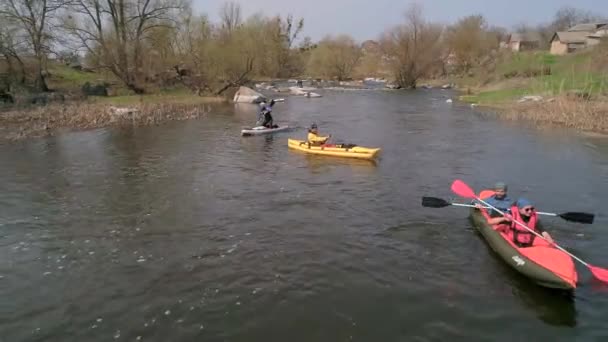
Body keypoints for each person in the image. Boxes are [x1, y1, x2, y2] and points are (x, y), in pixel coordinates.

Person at [489, 198, 554, 247]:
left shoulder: (533, 217)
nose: (530, 211)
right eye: (527, 209)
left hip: (528, 242)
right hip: (514, 241)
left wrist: (549, 239)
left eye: (531, 209)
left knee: (547, 242)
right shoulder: (512, 217)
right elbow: (490, 222)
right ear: (520, 209)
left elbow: (543, 231)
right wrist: (503, 218)